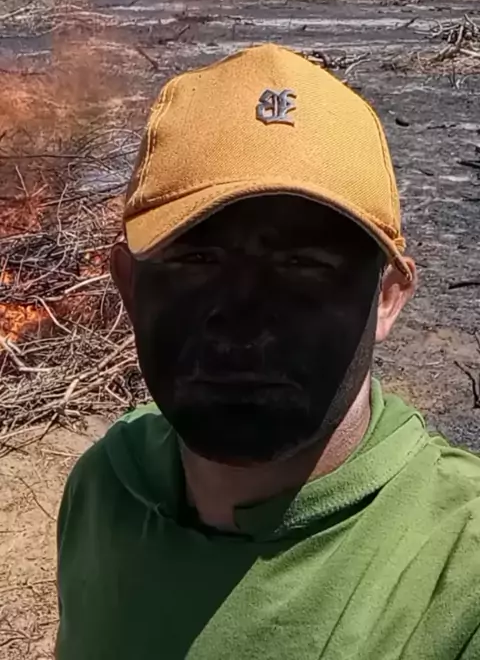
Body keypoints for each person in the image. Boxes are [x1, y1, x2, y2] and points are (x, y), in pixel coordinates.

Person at [55, 43, 480, 660]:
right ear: (129, 285)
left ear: (388, 297)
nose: (243, 324)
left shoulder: (457, 574)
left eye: (304, 264)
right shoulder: (105, 490)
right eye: (198, 258)